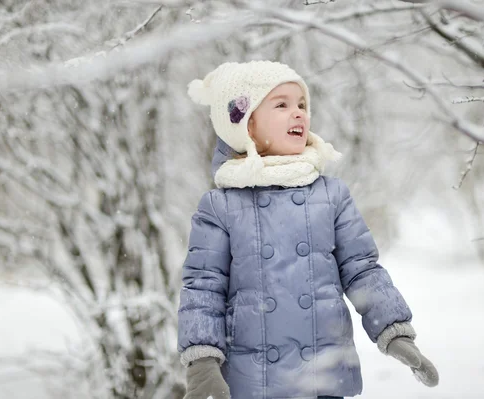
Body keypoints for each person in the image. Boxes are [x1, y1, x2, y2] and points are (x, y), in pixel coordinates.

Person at [177, 61, 438, 399]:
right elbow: (203, 286)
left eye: (302, 104)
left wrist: (393, 328)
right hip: (254, 381)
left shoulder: (331, 195)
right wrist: (202, 357)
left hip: (323, 374)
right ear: (246, 125)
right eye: (282, 105)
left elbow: (362, 270)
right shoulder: (220, 206)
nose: (298, 113)